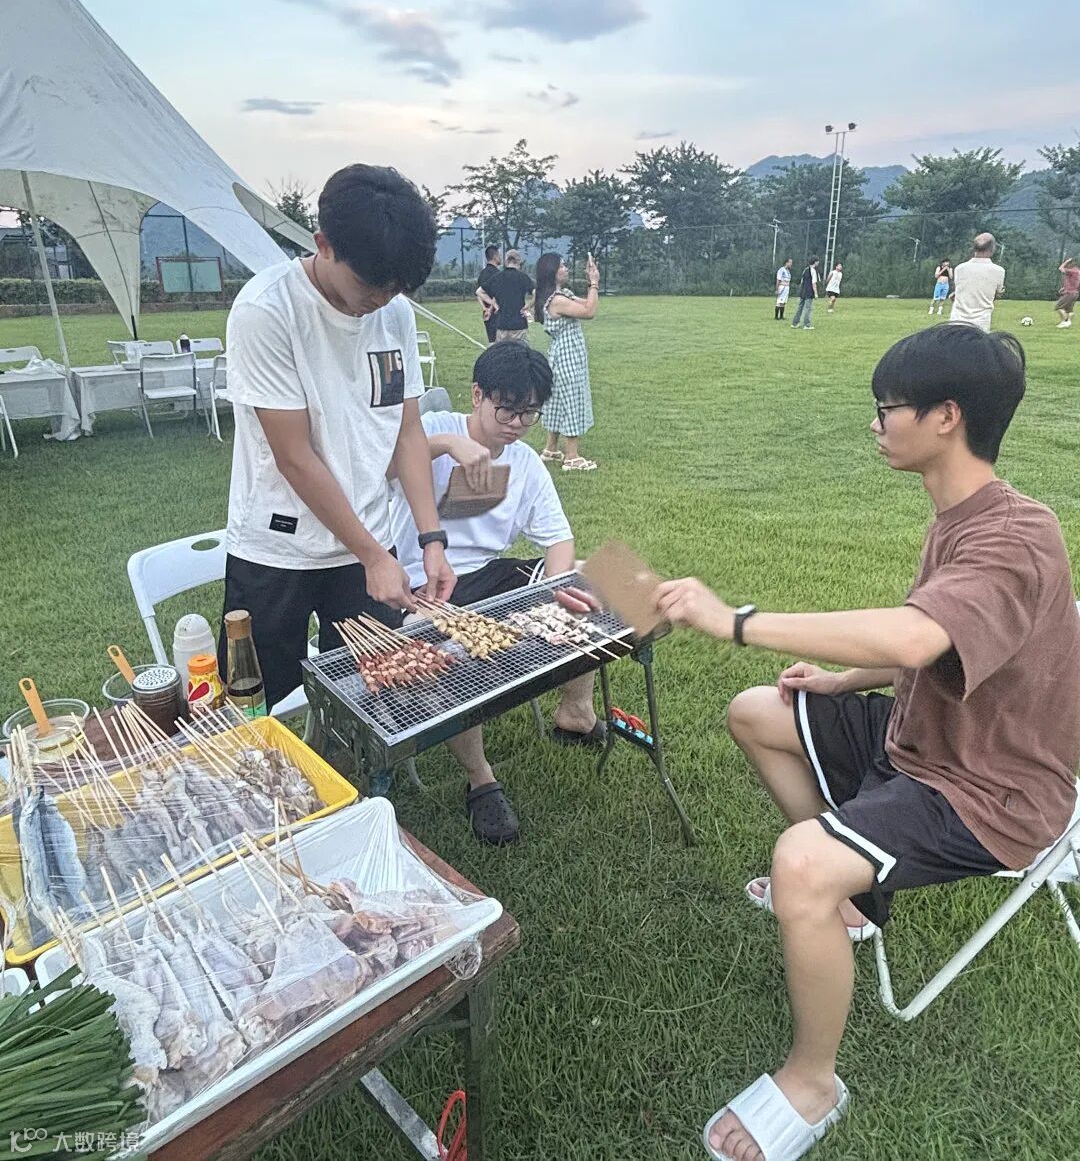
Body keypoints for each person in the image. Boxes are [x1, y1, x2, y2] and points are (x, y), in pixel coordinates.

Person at [638, 324, 1080, 1161]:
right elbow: (941, 641)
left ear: (945, 417)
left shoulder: (1017, 535)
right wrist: (844, 682)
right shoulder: (963, 517)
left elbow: (916, 635)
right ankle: (852, 904)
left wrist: (736, 620)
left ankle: (813, 1081)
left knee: (801, 862)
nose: (876, 425)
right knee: (757, 712)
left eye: (887, 409)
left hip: (989, 789)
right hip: (924, 738)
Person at [221, 164, 455, 710]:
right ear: (323, 244)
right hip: (279, 548)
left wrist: (431, 540)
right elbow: (295, 457)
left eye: (395, 288)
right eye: (371, 286)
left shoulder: (393, 312)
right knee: (264, 704)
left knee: (374, 696)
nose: (382, 300)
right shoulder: (266, 311)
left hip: (369, 540)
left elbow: (407, 430)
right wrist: (372, 555)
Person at [388, 341, 603, 843]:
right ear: (477, 395)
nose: (517, 423)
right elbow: (385, 469)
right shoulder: (433, 427)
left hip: (489, 573)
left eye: (529, 413)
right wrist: (448, 445)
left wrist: (555, 594)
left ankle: (576, 710)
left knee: (590, 582)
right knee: (449, 653)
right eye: (507, 408)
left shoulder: (525, 461)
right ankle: (480, 779)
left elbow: (558, 539)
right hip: (425, 580)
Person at [534, 251, 599, 472]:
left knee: (556, 401)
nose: (566, 268)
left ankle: (550, 449)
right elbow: (589, 311)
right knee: (573, 400)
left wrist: (591, 283)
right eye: (562, 265)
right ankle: (572, 457)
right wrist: (594, 283)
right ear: (552, 271)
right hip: (568, 356)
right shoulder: (558, 300)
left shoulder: (559, 295)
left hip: (561, 354)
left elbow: (587, 303)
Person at [950, 232, 1005, 330]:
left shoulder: (959, 268)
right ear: (992, 248)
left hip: (956, 321)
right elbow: (996, 295)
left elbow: (957, 293)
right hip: (981, 324)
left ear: (974, 248)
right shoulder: (999, 271)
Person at [487, 249, 534, 342]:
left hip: (502, 324)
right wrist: (529, 305)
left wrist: (495, 305)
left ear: (506, 261)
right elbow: (537, 293)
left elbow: (480, 292)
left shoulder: (497, 277)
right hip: (519, 324)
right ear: (518, 261)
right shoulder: (523, 277)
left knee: (502, 350)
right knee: (519, 350)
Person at [475, 244, 501, 344]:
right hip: (497, 312)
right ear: (494, 257)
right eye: (499, 255)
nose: (500, 258)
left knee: (491, 341)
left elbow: (479, 294)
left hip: (487, 314)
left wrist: (484, 308)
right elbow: (497, 294)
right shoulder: (498, 274)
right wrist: (491, 308)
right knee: (501, 342)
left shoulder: (482, 274)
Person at [791, 257, 819, 329]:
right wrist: (815, 293)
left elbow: (802, 281)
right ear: (815, 262)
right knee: (808, 308)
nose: (818, 263)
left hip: (803, 291)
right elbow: (814, 283)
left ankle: (794, 323)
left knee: (800, 307)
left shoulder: (805, 270)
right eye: (817, 261)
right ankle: (807, 325)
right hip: (809, 292)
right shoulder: (813, 271)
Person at [1055, 257, 1080, 328]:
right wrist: (1064, 288)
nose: (1066, 265)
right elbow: (1074, 282)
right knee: (1069, 310)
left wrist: (1066, 261)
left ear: (1070, 263)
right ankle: (1069, 322)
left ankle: (1064, 322)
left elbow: (1060, 268)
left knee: (1058, 307)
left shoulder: (1072, 271)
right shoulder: (1078, 271)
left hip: (1069, 293)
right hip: (1075, 292)